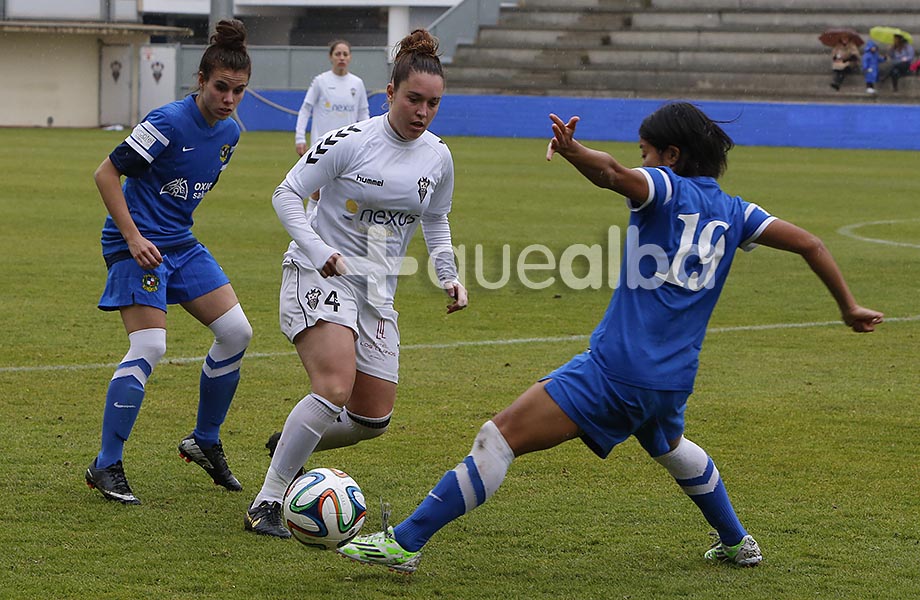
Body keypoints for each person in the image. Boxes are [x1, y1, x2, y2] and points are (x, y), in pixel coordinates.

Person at [336, 102, 885, 573]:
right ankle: (737, 542)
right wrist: (849, 306)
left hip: (616, 371)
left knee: (497, 437)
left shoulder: (665, 187)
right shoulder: (738, 212)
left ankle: (404, 543)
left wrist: (574, 152)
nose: (642, 159)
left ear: (670, 155)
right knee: (670, 446)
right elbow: (812, 243)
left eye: (647, 150)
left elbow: (615, 175)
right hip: (672, 380)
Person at [244, 28, 468, 537]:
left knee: (372, 418)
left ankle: (293, 440)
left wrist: (449, 274)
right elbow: (286, 194)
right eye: (413, 99)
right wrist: (320, 251)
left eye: (433, 103)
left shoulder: (439, 156)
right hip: (319, 275)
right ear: (389, 94)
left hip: (376, 294)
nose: (423, 111)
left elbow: (436, 219)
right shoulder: (351, 142)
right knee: (333, 387)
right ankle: (266, 504)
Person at [85, 19, 253, 505]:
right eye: (221, 87)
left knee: (237, 332)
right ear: (200, 81)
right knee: (151, 345)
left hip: (178, 244)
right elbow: (106, 174)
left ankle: (204, 439)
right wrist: (133, 236)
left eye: (238, 90)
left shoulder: (230, 136)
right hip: (133, 244)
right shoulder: (167, 123)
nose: (228, 98)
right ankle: (106, 463)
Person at [294, 39, 370, 204]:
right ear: (331, 57)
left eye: (345, 54)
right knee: (316, 192)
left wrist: (369, 141)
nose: (341, 57)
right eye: (338, 54)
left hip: (350, 148)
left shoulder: (357, 84)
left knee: (346, 194)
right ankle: (309, 227)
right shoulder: (320, 81)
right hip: (322, 146)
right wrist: (300, 138)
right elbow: (305, 109)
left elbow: (364, 114)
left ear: (350, 58)